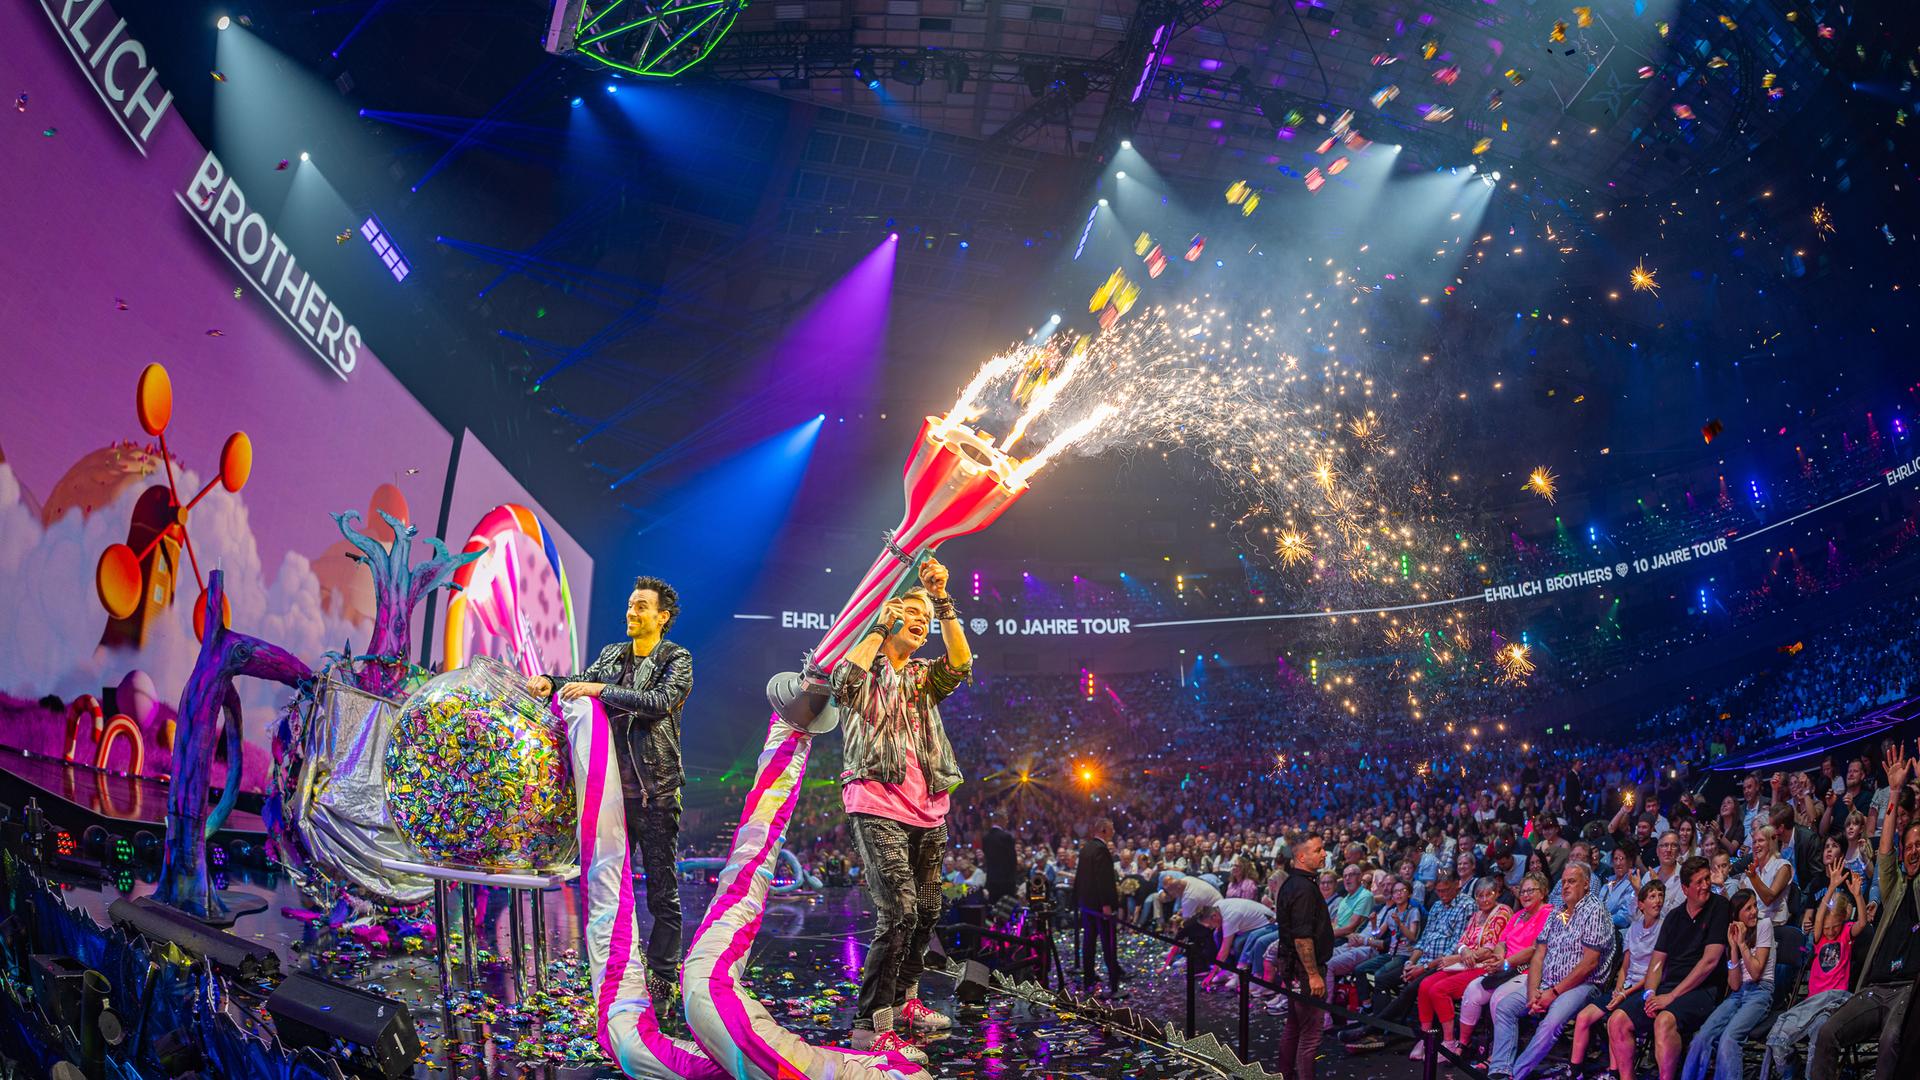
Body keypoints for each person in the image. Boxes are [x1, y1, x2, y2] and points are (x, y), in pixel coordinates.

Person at [831, 559, 972, 1060]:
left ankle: (907, 1000)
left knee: (929, 909)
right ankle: (872, 1025)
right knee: (900, 912)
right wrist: (877, 626)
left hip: (928, 807)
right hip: (876, 801)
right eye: (911, 611)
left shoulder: (921, 677)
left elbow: (960, 662)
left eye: (925, 617)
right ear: (890, 614)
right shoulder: (865, 665)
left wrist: (944, 602)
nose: (922, 619)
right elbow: (842, 685)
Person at [527, 575, 689, 998]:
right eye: (630, 605)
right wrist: (551, 682)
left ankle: (663, 973)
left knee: (661, 889)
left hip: (655, 793)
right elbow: (580, 680)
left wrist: (600, 690)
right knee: (608, 884)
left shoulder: (677, 658)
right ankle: (617, 963)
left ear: (661, 616)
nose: (631, 612)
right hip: (611, 797)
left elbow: (658, 703)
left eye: (640, 606)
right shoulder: (614, 655)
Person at [1808, 743, 1920, 1080]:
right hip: (1875, 986)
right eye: (1910, 847)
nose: (1914, 852)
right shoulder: (1895, 885)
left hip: (1908, 990)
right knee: (1828, 1033)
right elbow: (1885, 849)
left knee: (1891, 1042)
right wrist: (1895, 790)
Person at [1605, 856, 1731, 1080]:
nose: (1705, 885)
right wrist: (1651, 993)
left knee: (1664, 1021)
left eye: (1707, 879)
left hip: (1703, 990)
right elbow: (1657, 961)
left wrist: (1671, 996)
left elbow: (1709, 961)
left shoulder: (1719, 907)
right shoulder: (1674, 917)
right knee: (1617, 1020)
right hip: (1668, 987)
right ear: (1685, 888)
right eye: (1699, 882)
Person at [1488, 861, 1613, 1080]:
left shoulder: (1594, 911)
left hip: (1583, 985)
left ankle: (1515, 1075)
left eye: (1571, 881)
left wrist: (1553, 993)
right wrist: (1533, 993)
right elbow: (1538, 955)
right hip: (1547, 983)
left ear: (1586, 884)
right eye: (1563, 882)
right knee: (1505, 1007)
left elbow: (1589, 964)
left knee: (1551, 1023)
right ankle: (1500, 1069)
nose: (1565, 886)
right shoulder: (1559, 913)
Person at [1761, 858, 1866, 1080]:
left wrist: (1857, 895)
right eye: (1827, 927)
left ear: (1843, 922)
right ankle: (1794, 1072)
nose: (1830, 932)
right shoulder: (1819, 938)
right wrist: (1830, 887)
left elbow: (1862, 924)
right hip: (1812, 1002)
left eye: (1834, 927)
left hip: (1834, 1002)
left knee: (1819, 1034)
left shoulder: (1846, 934)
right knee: (1777, 1037)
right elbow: (1819, 918)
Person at [1566, 880, 1668, 1079]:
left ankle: (1614, 1073)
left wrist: (1625, 994)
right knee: (1583, 1017)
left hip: (1646, 988)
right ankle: (1575, 1071)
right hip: (1627, 986)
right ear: (1641, 904)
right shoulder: (1634, 928)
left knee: (1615, 1019)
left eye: (1660, 896)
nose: (1658, 901)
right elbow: (1625, 966)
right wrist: (1619, 987)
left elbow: (1654, 973)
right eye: (1652, 896)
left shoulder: (1664, 928)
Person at [1412, 877, 1514, 1061]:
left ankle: (1449, 1042)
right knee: (1425, 985)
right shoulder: (1476, 915)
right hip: (1465, 963)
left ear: (1497, 893)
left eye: (1488, 895)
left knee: (1438, 989)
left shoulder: (1503, 912)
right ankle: (1426, 1037)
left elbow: (1490, 948)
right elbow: (1462, 941)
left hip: (1483, 967)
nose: (1483, 900)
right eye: (1479, 896)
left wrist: (1462, 956)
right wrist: (1464, 950)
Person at [1455, 872, 1554, 1057]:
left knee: (1498, 999)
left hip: (1528, 972)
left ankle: (1498, 1054)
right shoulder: (1518, 915)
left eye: (1530, 890)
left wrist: (1505, 962)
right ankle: (1462, 1044)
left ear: (1543, 892)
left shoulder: (1548, 913)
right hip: (1506, 969)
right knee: (1472, 990)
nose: (1525, 895)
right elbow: (1501, 942)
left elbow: (1535, 949)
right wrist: (1500, 958)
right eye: (1523, 891)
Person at [1680, 888, 1774, 1080]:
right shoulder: (1733, 934)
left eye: (1754, 906)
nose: (1754, 911)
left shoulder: (1765, 925)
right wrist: (1732, 948)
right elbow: (1735, 985)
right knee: (1701, 1037)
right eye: (1748, 908)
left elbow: (1756, 973)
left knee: (1729, 1039)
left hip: (1760, 991)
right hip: (1739, 994)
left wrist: (1741, 944)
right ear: (1737, 914)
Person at [1273, 832, 1336, 1080]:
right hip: (1303, 968)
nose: (1324, 854)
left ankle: (1285, 1075)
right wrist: (1313, 974)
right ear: (1301, 856)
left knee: (1294, 1025)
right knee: (1310, 1036)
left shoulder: (1293, 883)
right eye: (1318, 850)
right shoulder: (1303, 888)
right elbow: (1301, 937)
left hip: (1292, 965)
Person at [1074, 816, 1125, 995]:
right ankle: (1114, 982)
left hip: (1087, 905)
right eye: (1111, 829)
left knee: (1089, 942)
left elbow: (1079, 877)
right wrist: (1106, 904)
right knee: (1108, 943)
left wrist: (1078, 901)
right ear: (1103, 830)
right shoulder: (1101, 850)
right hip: (1100, 907)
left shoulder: (1086, 848)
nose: (1114, 832)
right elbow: (1103, 880)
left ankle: (1088, 977)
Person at [983, 813, 1019, 903]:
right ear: (1000, 820)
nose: (1007, 822)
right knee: (1006, 909)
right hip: (1006, 881)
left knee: (994, 908)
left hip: (992, 879)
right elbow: (1012, 860)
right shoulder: (1006, 837)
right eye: (1006, 820)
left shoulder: (985, 838)